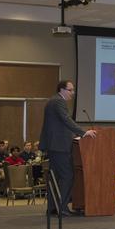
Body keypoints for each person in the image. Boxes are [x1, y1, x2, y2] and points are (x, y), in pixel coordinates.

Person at [39, 80, 96, 216]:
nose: (73, 93)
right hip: (59, 146)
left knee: (56, 177)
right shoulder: (59, 101)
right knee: (68, 176)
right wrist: (83, 133)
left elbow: (62, 123)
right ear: (62, 90)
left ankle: (53, 208)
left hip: (55, 146)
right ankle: (62, 208)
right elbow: (66, 120)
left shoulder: (53, 101)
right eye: (70, 90)